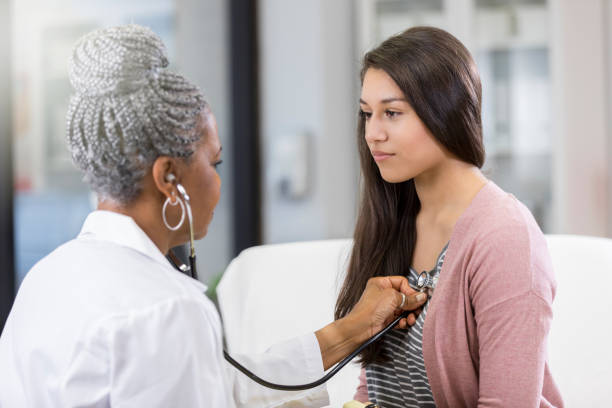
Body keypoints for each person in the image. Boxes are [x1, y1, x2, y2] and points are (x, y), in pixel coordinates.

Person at [0, 25, 427, 408]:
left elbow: (227, 382)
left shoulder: (47, 278)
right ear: (169, 176)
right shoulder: (167, 309)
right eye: (214, 164)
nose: (218, 184)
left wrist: (351, 330)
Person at [335, 26, 564, 407]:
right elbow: (378, 383)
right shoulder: (397, 217)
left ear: (445, 111)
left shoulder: (505, 237)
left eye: (392, 113)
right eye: (366, 114)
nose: (372, 133)